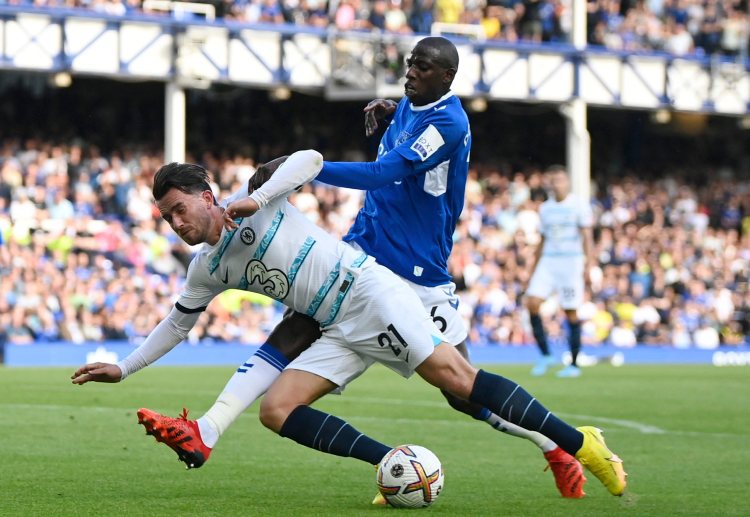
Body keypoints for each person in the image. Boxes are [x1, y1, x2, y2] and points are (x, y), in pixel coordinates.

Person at [128, 36, 584, 499]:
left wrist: (302, 172)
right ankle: (212, 431)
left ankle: (562, 444)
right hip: (368, 258)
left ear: (446, 77)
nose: (410, 73)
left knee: (460, 389)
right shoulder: (409, 105)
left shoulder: (446, 122)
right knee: (288, 358)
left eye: (422, 68)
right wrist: (391, 113)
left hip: (418, 273)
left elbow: (383, 173)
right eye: (410, 64)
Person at [71, 151, 627, 500]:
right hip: (336, 327)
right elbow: (176, 324)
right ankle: (396, 463)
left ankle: (582, 444)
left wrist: (260, 194)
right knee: (276, 410)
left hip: (370, 293)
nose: (175, 223)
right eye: (166, 217)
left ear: (207, 196)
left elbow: (310, 159)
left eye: (178, 209)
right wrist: (124, 367)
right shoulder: (208, 267)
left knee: (459, 382)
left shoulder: (260, 203)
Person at [525, 165, 594, 378]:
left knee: (570, 311)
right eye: (553, 180)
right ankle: (546, 354)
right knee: (532, 303)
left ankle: (573, 363)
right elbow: (543, 240)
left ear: (568, 182)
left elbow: (587, 236)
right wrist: (532, 268)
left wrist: (588, 265)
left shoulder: (579, 205)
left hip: (571, 262)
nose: (557, 184)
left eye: (560, 180)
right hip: (548, 261)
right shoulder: (545, 208)